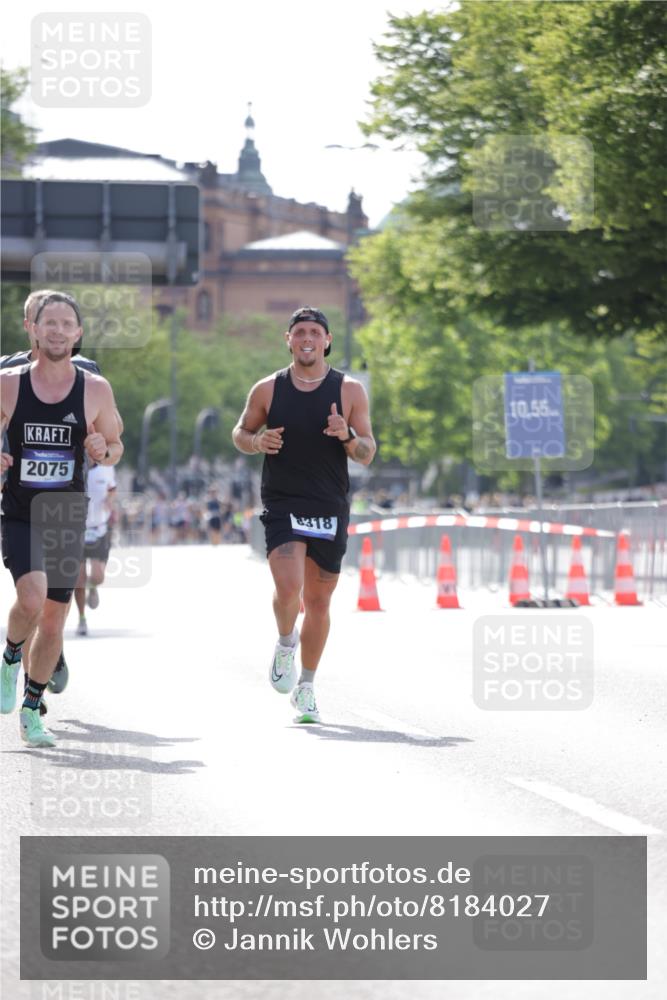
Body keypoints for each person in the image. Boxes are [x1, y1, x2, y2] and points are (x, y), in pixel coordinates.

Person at [232, 306, 376, 723]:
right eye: (300, 332)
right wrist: (257, 442)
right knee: (289, 585)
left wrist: (346, 436)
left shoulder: (349, 391)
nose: (307, 338)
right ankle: (284, 642)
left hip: (330, 504)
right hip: (282, 500)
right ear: (288, 339)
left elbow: (367, 453)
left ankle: (307, 686)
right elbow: (240, 433)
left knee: (318, 600)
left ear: (327, 340)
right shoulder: (267, 389)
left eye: (315, 332)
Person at [1, 291, 123, 747]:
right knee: (30, 599)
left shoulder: (95, 388)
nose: (56, 330)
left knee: (54, 621)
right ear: (32, 329)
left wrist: (102, 449)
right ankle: (12, 654)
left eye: (65, 323)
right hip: (21, 511)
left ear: (78, 334)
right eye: (47, 322)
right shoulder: (8, 383)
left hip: (67, 514)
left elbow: (114, 444)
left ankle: (32, 709)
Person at [73, 460, 117, 635]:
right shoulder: (75, 465)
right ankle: (82, 619)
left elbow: (113, 488)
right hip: (76, 530)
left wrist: (109, 501)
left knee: (98, 576)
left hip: (99, 528)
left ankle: (93, 587)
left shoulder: (107, 468)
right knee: (79, 579)